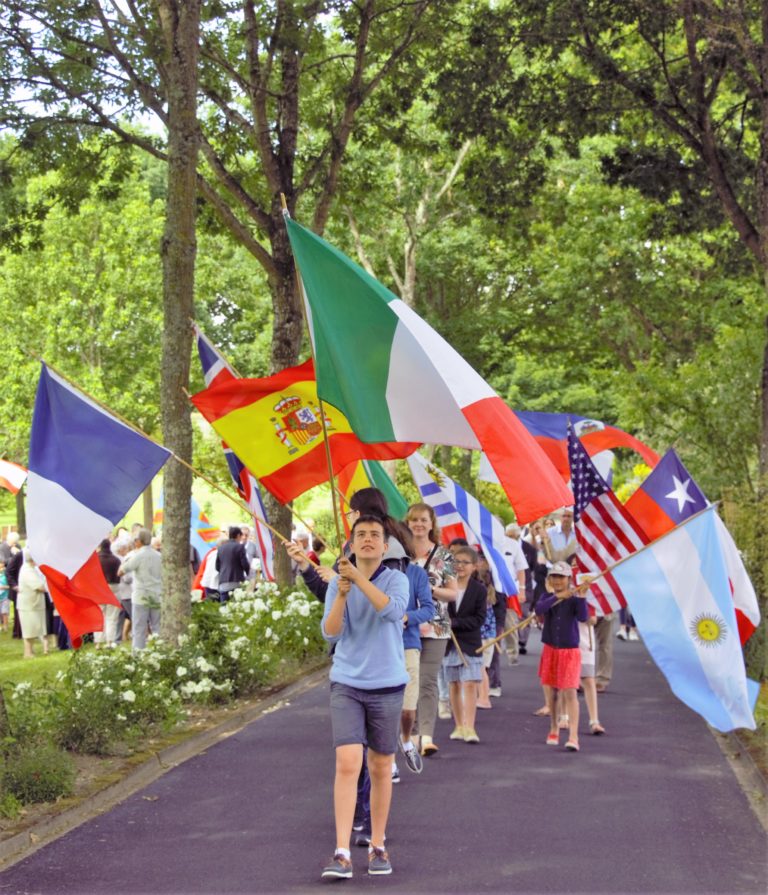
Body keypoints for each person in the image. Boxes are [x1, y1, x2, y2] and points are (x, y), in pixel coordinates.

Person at [320, 515, 410, 880]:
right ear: (352, 544)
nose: (368, 539)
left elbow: (392, 611)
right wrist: (342, 594)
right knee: (347, 762)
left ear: (385, 546)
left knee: (380, 766)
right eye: (361, 535)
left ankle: (378, 844)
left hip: (387, 684)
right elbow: (330, 633)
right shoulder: (338, 583)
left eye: (375, 535)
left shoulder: (397, 579)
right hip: (347, 682)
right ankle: (342, 852)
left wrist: (358, 579)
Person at [405, 502, 457, 756]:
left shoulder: (444, 555)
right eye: (414, 520)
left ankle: (426, 736)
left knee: (427, 680)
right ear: (408, 523)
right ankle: (411, 733)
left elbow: (453, 593)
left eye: (423, 520)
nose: (419, 524)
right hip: (407, 626)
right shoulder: (401, 554)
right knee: (410, 679)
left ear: (431, 523)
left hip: (436, 627)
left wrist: (431, 589)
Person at [536, 561, 588, 752]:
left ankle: (573, 736)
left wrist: (582, 597)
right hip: (550, 649)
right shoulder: (546, 596)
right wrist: (557, 596)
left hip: (569, 651)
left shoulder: (574, 598)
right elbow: (539, 609)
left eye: (561, 577)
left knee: (570, 692)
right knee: (553, 693)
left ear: (569, 579)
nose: (558, 581)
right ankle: (553, 727)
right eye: (554, 577)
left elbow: (583, 617)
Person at [443, 546, 487, 744]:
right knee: (453, 684)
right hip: (449, 644)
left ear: (474, 566)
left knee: (470, 684)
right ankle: (459, 725)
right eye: (456, 562)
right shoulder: (445, 585)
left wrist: (455, 623)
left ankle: (470, 727)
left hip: (470, 643)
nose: (460, 566)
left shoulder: (479, 590)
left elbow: (479, 619)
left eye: (465, 562)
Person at [118, 528, 162, 651]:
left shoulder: (137, 556)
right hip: (157, 594)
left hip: (141, 596)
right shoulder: (159, 556)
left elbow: (121, 572)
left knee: (139, 628)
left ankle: (138, 654)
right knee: (157, 627)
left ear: (139, 541)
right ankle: (159, 652)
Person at [17, 551, 48, 658]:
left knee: (32, 629)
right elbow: (40, 587)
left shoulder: (30, 569)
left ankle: (30, 651)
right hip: (29, 606)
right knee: (29, 630)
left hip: (32, 604)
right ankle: (28, 653)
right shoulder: (27, 571)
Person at [95, 538, 121, 647]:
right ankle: (110, 641)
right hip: (114, 587)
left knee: (99, 615)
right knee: (112, 616)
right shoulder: (116, 560)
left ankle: (98, 642)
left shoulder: (96, 559)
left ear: (100, 546)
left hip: (99, 588)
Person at [215, 526, 250, 602]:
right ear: (238, 535)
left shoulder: (221, 548)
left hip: (223, 582)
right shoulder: (240, 547)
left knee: (224, 606)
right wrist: (248, 574)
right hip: (236, 581)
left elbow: (217, 566)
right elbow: (245, 564)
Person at [0, 560, 9, 633]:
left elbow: (10, 586)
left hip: (5, 596)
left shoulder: (6, 574)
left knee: (4, 612)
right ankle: (1, 626)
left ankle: (5, 626)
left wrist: (4, 587)